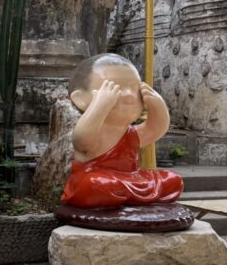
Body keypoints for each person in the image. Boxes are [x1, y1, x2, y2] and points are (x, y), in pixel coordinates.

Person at [61, 53, 183, 209]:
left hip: (131, 178)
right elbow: (82, 141)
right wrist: (101, 105)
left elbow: (155, 128)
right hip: (98, 179)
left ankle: (127, 198)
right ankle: (124, 198)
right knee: (92, 184)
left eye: (135, 88)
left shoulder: (130, 134)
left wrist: (158, 105)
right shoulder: (92, 130)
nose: (129, 95)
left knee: (173, 179)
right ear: (81, 99)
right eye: (114, 88)